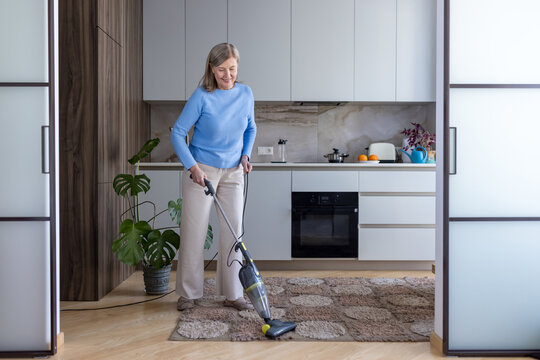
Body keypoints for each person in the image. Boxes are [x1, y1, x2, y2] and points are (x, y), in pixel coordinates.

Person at [170, 43, 256, 311]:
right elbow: (177, 133)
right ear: (211, 69)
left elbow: (250, 128)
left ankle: (233, 293)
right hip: (202, 171)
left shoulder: (245, 93)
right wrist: (192, 167)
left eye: (232, 68)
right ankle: (188, 294)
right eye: (221, 70)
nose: (227, 75)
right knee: (194, 233)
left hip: (234, 172)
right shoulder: (202, 96)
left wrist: (246, 155)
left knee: (233, 233)